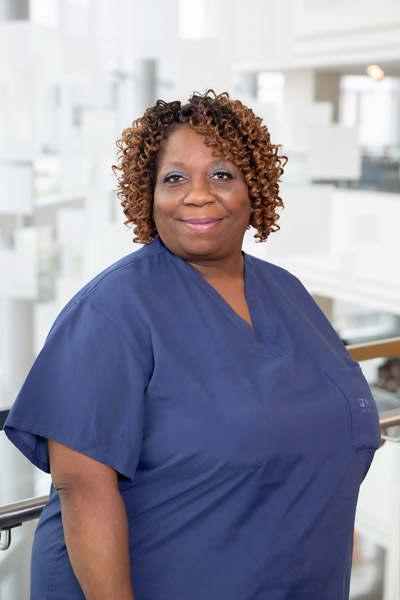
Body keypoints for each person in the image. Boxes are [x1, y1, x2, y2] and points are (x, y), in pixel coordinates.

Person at [5, 90, 381, 600]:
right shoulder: (110, 311)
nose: (198, 194)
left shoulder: (288, 292)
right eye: (174, 178)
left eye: (222, 175)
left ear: (255, 189)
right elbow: (82, 489)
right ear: (148, 194)